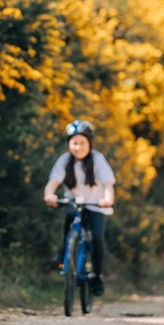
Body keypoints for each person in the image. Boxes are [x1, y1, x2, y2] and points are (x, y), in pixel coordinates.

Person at [44, 120, 116, 297]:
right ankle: (64, 254)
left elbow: (108, 184)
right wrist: (49, 195)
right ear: (69, 144)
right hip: (75, 202)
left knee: (97, 237)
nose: (78, 147)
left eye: (82, 143)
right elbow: (52, 183)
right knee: (69, 222)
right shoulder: (65, 160)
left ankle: (97, 276)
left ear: (89, 143)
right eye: (74, 143)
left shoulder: (97, 159)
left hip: (96, 205)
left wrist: (108, 199)